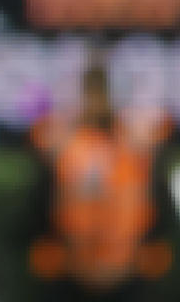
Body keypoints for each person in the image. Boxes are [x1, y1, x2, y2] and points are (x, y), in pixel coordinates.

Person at [29, 63, 172, 302]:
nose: (96, 101)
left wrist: (146, 251)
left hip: (127, 270)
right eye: (90, 93)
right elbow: (41, 204)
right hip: (73, 270)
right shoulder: (62, 145)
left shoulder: (137, 147)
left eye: (102, 92)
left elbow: (156, 203)